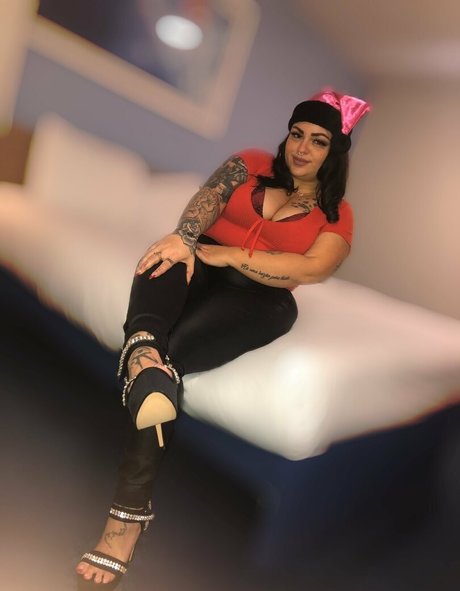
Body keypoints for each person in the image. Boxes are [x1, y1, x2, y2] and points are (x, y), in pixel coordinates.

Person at [76, 88, 370, 588]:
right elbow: (207, 200)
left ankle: (126, 511)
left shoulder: (338, 213)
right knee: (164, 257)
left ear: (334, 152)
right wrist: (185, 238)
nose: (301, 148)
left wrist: (232, 255)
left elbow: (311, 269)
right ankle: (144, 355)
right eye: (296, 134)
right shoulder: (250, 163)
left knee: (178, 357)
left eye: (318, 141)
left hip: (261, 295)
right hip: (198, 261)